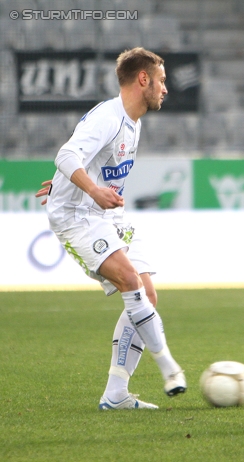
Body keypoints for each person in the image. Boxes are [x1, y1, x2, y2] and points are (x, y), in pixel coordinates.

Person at [36, 47, 186, 410]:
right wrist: (87, 189)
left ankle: (116, 394)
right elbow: (66, 155)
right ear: (143, 79)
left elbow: (82, 163)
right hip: (76, 217)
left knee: (147, 294)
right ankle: (169, 368)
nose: (166, 89)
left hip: (107, 216)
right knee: (130, 282)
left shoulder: (134, 120)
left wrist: (68, 181)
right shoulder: (108, 116)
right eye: (162, 81)